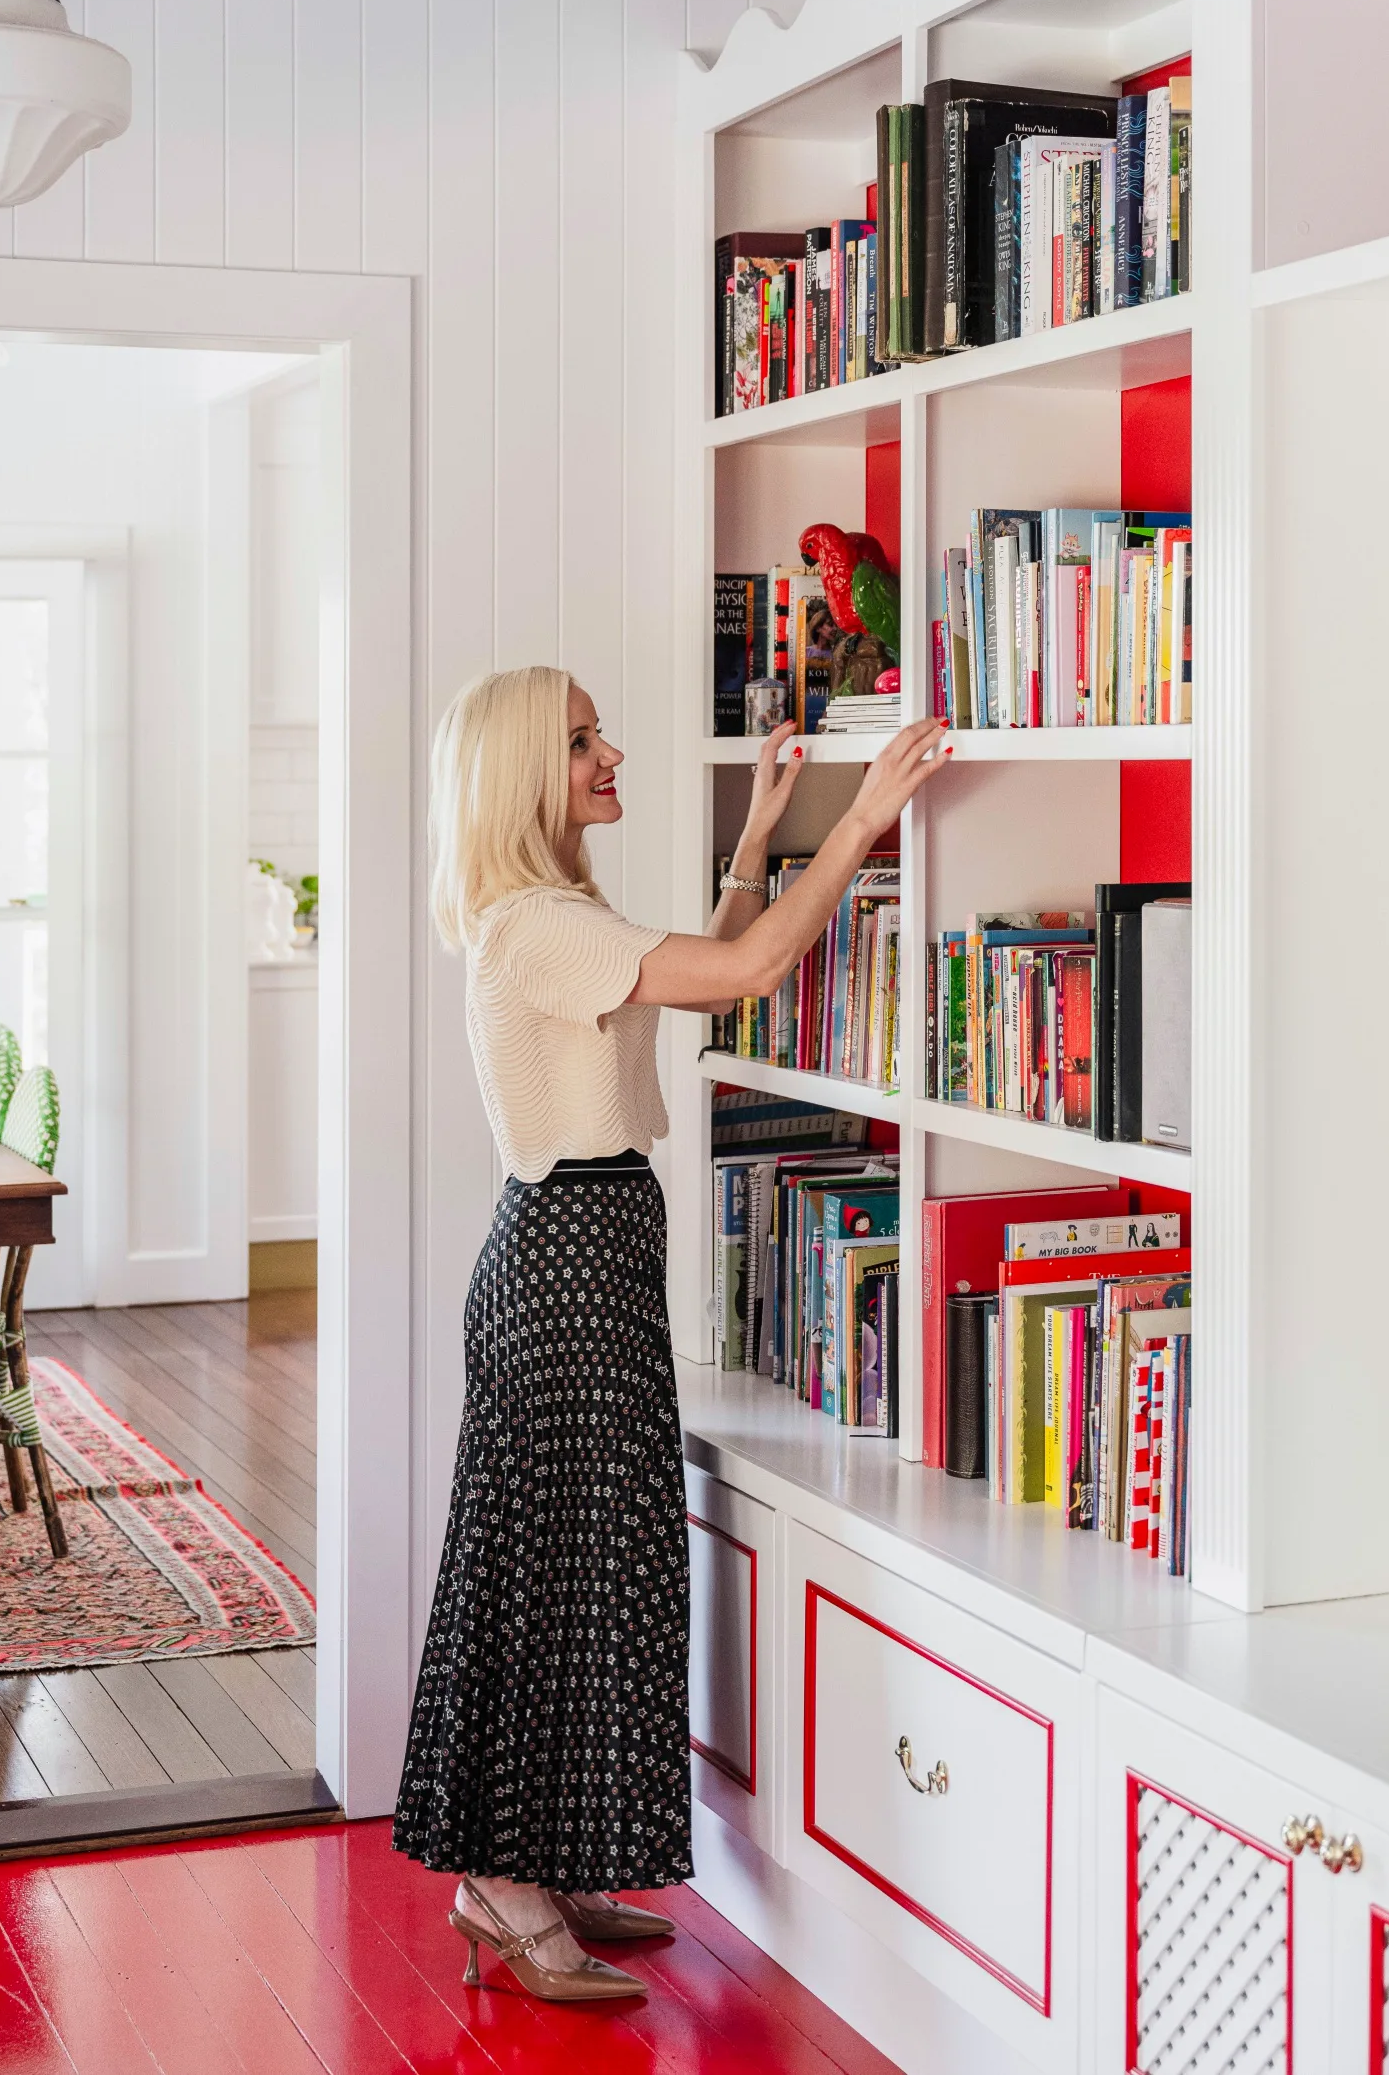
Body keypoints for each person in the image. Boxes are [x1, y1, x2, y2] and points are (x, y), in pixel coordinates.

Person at [393, 663, 948, 2003]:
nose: (609, 751)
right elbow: (746, 973)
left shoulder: (554, 917)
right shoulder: (537, 925)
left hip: (580, 1258)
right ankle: (503, 1888)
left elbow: (704, 964)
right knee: (558, 1577)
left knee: (585, 1567)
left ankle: (535, 1865)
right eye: (582, 739)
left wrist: (761, 838)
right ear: (531, 768)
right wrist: (861, 817)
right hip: (569, 1268)